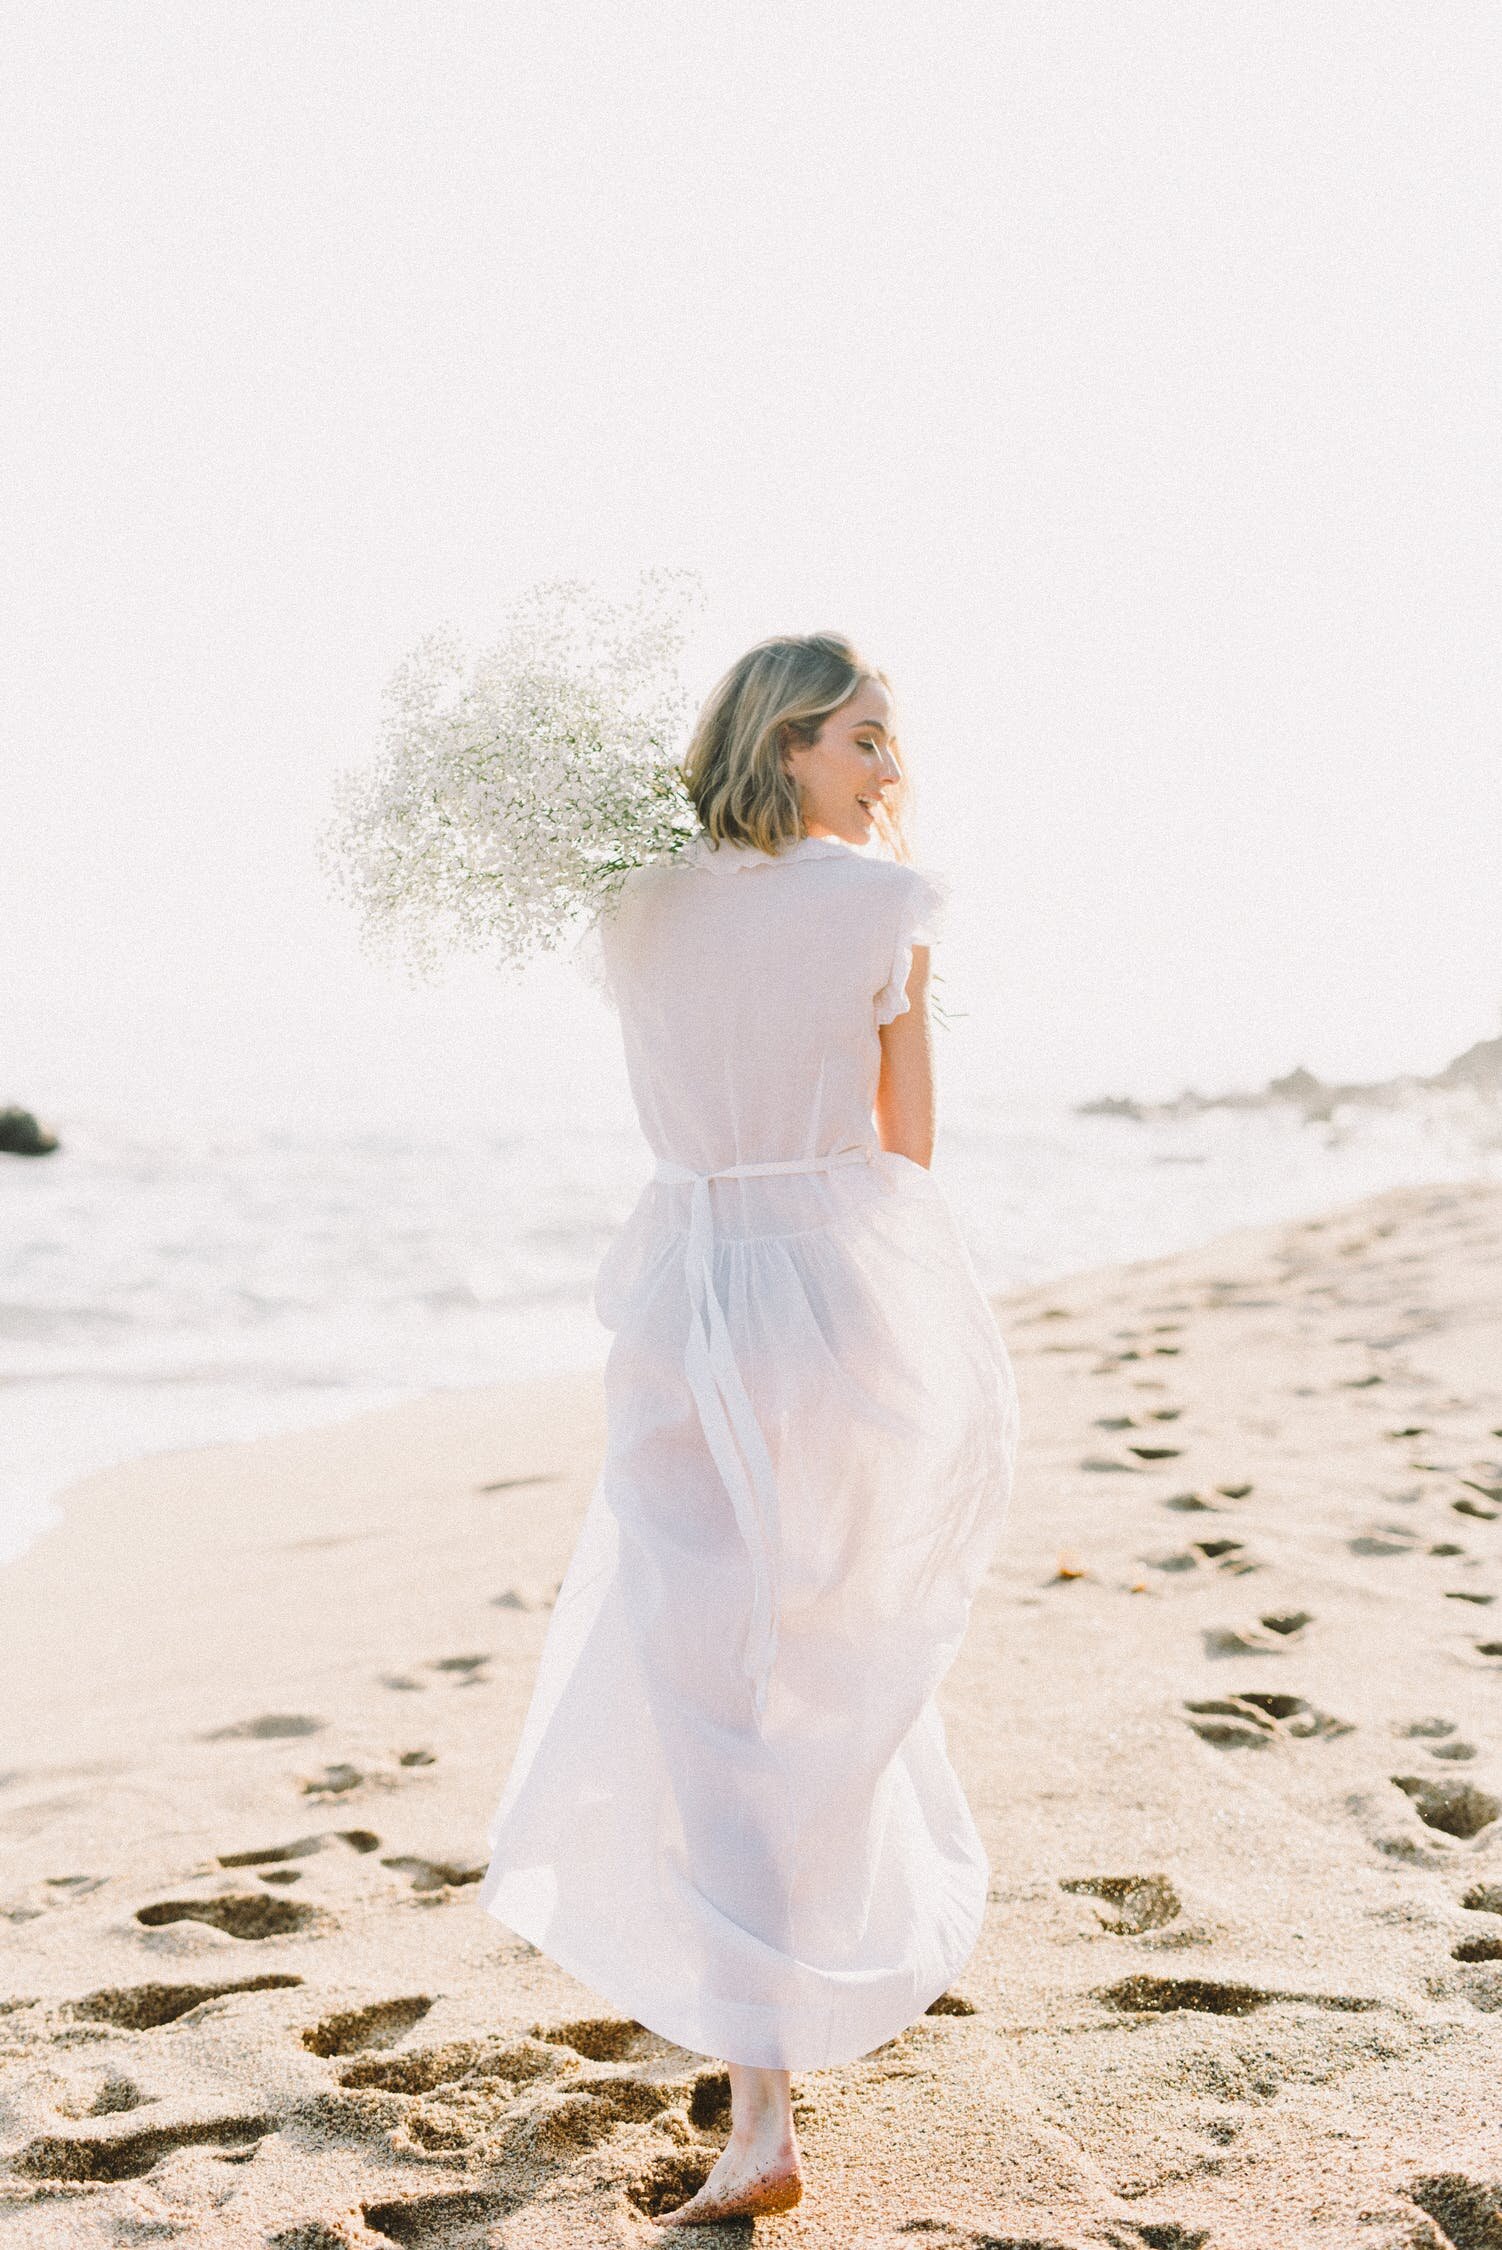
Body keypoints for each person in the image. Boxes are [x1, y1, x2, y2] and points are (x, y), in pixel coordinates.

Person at [479, 633, 1019, 2225]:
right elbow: (904, 1142)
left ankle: (759, 2099)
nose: (886, 767)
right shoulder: (887, 904)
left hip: (680, 1285)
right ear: (787, 741)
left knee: (697, 1667)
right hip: (831, 1284)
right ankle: (796, 2015)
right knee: (831, 1648)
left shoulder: (628, 905)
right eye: (864, 737)